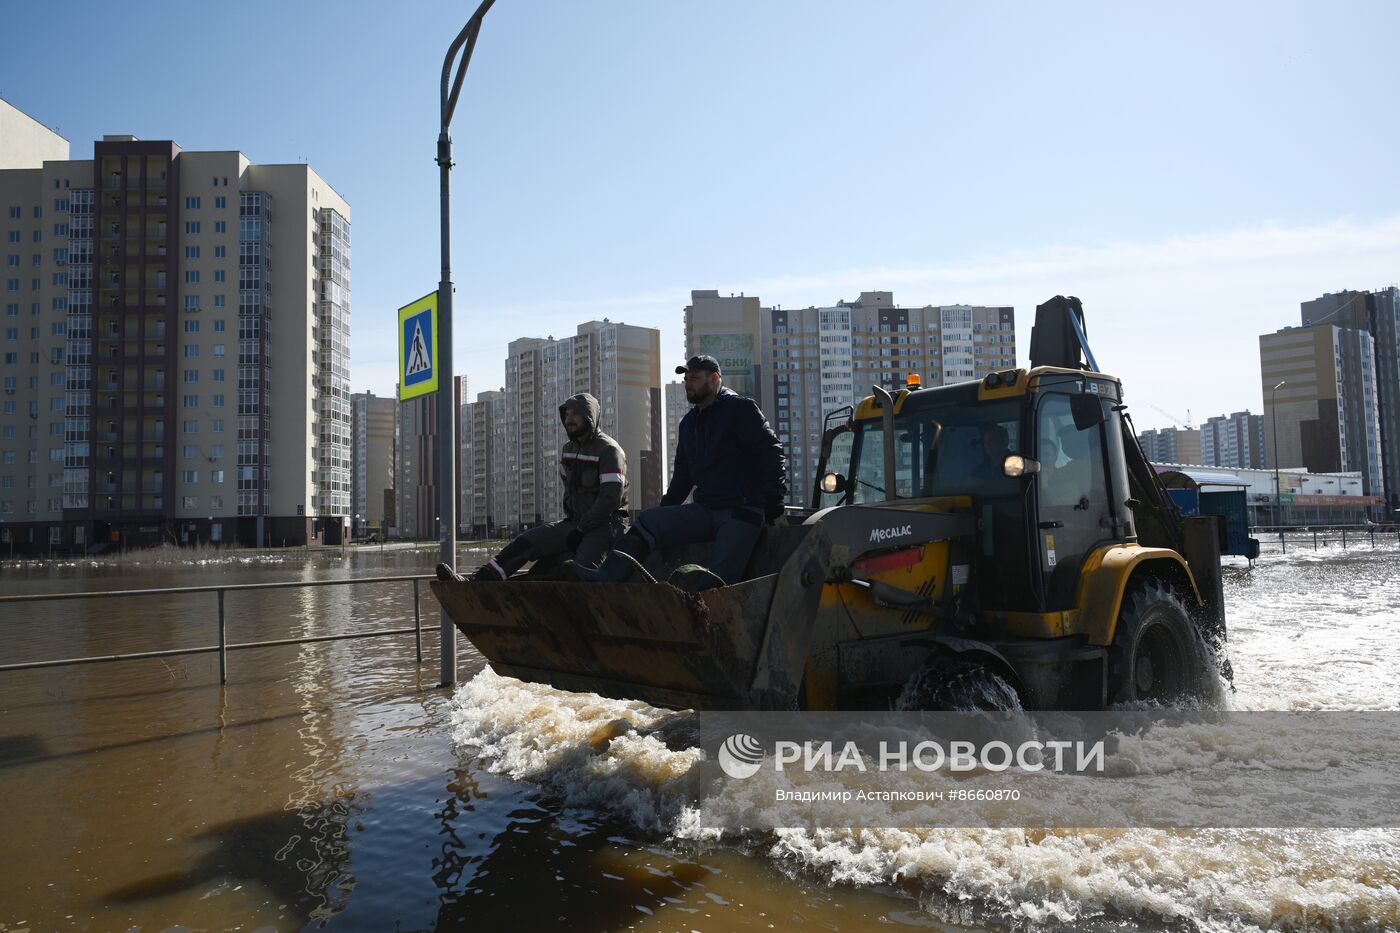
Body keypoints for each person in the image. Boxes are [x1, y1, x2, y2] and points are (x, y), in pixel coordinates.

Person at [569, 355, 786, 587]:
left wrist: (774, 501)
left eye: (695, 378)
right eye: (686, 379)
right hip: (707, 509)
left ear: (714, 379)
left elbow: (770, 451)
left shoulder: (741, 408)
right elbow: (683, 477)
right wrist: (665, 514)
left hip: (741, 510)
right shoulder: (689, 424)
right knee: (649, 521)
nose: (688, 384)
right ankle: (608, 576)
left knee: (716, 578)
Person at [453, 393, 627, 581]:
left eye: (575, 414)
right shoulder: (568, 450)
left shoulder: (609, 450)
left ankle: (524, 588)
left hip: (606, 525)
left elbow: (610, 499)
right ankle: (480, 580)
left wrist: (581, 530)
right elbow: (571, 491)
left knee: (577, 572)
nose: (569, 419)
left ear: (590, 416)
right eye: (567, 414)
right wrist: (574, 526)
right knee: (527, 542)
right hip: (575, 523)